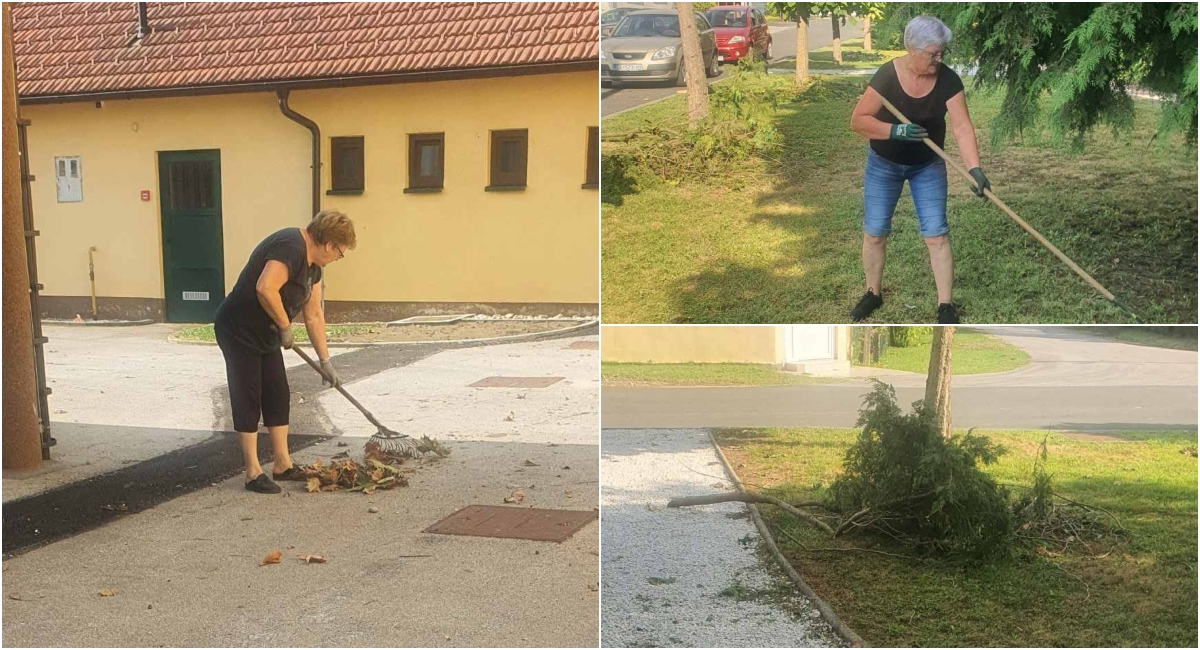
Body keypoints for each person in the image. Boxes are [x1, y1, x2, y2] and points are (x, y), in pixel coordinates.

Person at [848, 15, 990, 324]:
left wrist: (975, 169)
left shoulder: (949, 81)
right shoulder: (887, 76)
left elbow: (962, 127)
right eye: (932, 53)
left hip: (928, 166)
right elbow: (858, 121)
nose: (939, 58)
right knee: (875, 233)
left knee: (936, 235)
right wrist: (895, 131)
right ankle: (872, 293)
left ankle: (945, 305)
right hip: (883, 165)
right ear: (911, 49)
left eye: (942, 52)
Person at [213, 210, 355, 494]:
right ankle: (253, 472)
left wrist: (325, 361)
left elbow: (314, 314)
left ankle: (282, 464)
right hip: (239, 329)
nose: (339, 258)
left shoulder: (314, 267)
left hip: (266, 333)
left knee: (278, 393)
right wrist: (284, 324)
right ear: (329, 245)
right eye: (341, 253)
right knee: (249, 394)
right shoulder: (290, 246)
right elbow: (265, 288)